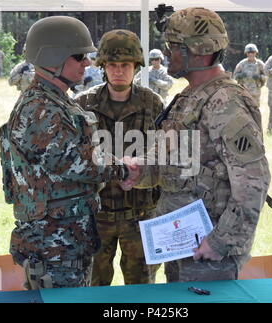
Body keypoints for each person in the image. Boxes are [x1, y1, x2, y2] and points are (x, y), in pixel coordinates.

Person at [122, 7, 271, 282]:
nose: (166, 52)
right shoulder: (190, 96)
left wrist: (220, 241)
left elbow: (253, 182)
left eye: (174, 46)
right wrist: (139, 170)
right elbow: (172, 160)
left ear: (199, 50)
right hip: (180, 244)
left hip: (208, 253)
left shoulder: (226, 102)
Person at [0, 16, 136, 290]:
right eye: (79, 56)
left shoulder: (55, 100)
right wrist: (122, 168)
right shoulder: (40, 108)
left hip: (65, 240)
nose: (87, 63)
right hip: (54, 246)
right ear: (53, 57)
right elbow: (75, 162)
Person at [76, 29, 163, 286]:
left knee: (141, 289)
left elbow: (165, 154)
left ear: (136, 67)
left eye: (125, 65)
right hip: (96, 215)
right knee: (94, 286)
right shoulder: (83, 105)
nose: (118, 71)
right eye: (112, 65)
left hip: (140, 215)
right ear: (102, 67)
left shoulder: (153, 104)